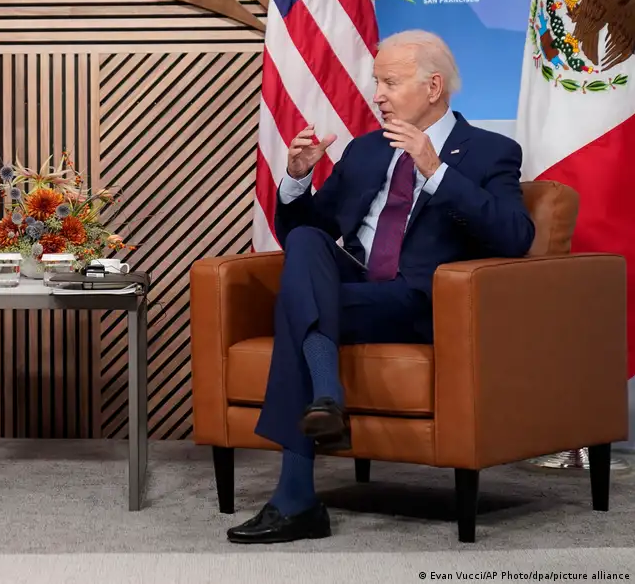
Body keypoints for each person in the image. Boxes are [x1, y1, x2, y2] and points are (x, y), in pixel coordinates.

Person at [226, 31, 535, 544]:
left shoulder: (490, 151)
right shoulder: (367, 150)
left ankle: (298, 494)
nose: (377, 95)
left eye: (390, 82)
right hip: (356, 290)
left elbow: (516, 236)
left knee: (296, 309)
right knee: (305, 240)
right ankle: (325, 397)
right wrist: (298, 180)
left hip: (419, 301)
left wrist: (435, 170)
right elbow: (308, 236)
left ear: (433, 87)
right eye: (376, 82)